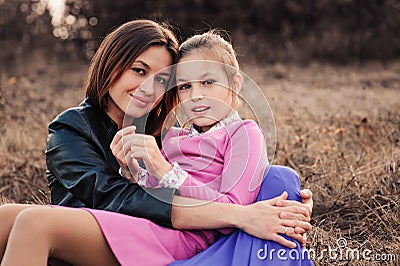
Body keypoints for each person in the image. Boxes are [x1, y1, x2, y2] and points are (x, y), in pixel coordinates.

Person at [0, 20, 312, 265]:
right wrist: (137, 172)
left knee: (34, 222)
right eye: (139, 71)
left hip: (155, 234)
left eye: (163, 79)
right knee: (5, 217)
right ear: (111, 67)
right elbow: (119, 199)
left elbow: (230, 178)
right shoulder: (72, 128)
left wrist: (288, 199)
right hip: (115, 225)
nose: (149, 87)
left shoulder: (165, 133)